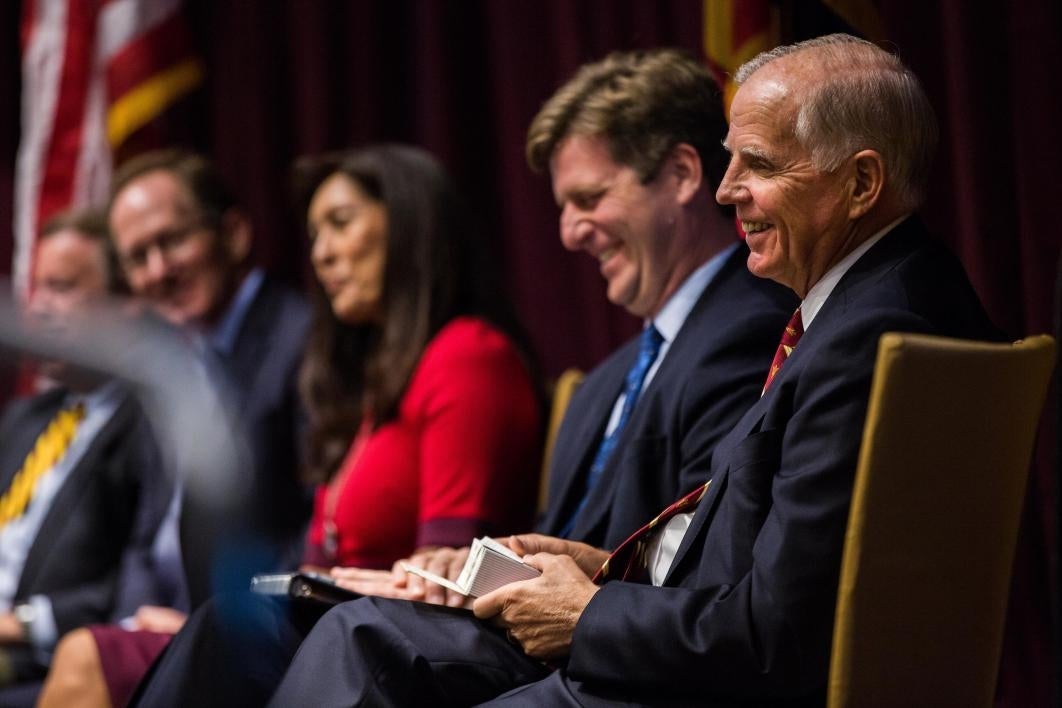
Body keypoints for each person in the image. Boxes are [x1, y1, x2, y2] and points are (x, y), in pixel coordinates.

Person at [267, 34, 1001, 706]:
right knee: (343, 634)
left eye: (760, 165)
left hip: (706, 686)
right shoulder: (879, 304)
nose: (726, 188)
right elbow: (772, 565)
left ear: (861, 185)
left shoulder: (871, 333)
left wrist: (589, 612)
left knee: (358, 642)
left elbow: (781, 631)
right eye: (731, 157)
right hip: (686, 648)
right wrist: (607, 565)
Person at [130, 49, 797, 706]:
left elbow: (698, 567)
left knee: (358, 636)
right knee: (229, 627)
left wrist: (524, 574)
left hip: (608, 657)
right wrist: (487, 563)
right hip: (523, 632)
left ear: (682, 175)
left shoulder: (748, 332)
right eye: (562, 207)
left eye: (589, 199)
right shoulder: (608, 378)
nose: (568, 233)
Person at [47, 144, 545, 708]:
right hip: (336, 625)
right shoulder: (388, 379)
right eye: (313, 236)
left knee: (160, 642)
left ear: (410, 223)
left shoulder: (466, 355)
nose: (323, 254)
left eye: (340, 224)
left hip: (393, 645)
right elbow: (319, 551)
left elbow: (452, 572)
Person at [0, 210, 160, 703]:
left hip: (44, 662)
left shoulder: (154, 423)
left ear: (126, 301)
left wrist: (23, 625)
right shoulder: (25, 417)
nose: (39, 308)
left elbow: (138, 586)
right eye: (37, 288)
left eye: (62, 288)